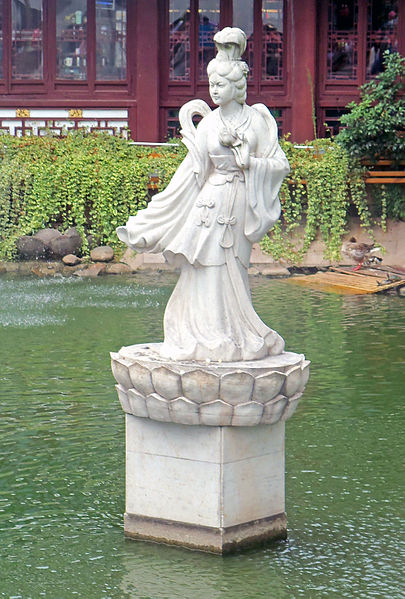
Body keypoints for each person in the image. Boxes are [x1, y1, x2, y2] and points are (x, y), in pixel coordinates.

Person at [117, 27, 290, 362]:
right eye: (211, 84)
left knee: (230, 265)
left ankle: (231, 334)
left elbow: (279, 164)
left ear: (237, 86)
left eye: (220, 84)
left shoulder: (257, 120)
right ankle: (198, 333)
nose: (214, 90)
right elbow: (190, 173)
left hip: (239, 199)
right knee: (199, 265)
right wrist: (152, 220)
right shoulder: (208, 125)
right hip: (208, 202)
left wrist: (249, 162)